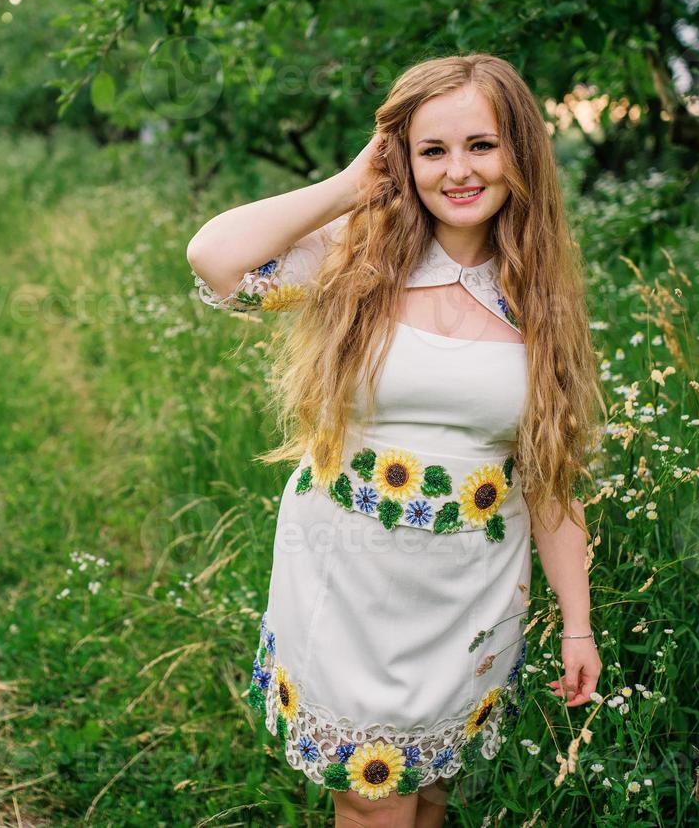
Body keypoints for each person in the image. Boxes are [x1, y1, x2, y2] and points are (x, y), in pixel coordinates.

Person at [186, 53, 605, 827]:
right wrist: (354, 185)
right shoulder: (358, 256)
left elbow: (551, 479)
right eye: (431, 150)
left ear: (520, 151)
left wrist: (577, 624)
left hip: (469, 592)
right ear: (399, 158)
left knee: (429, 791)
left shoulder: (539, 295)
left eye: (481, 145)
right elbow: (215, 260)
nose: (458, 172)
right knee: (375, 796)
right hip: (346, 579)